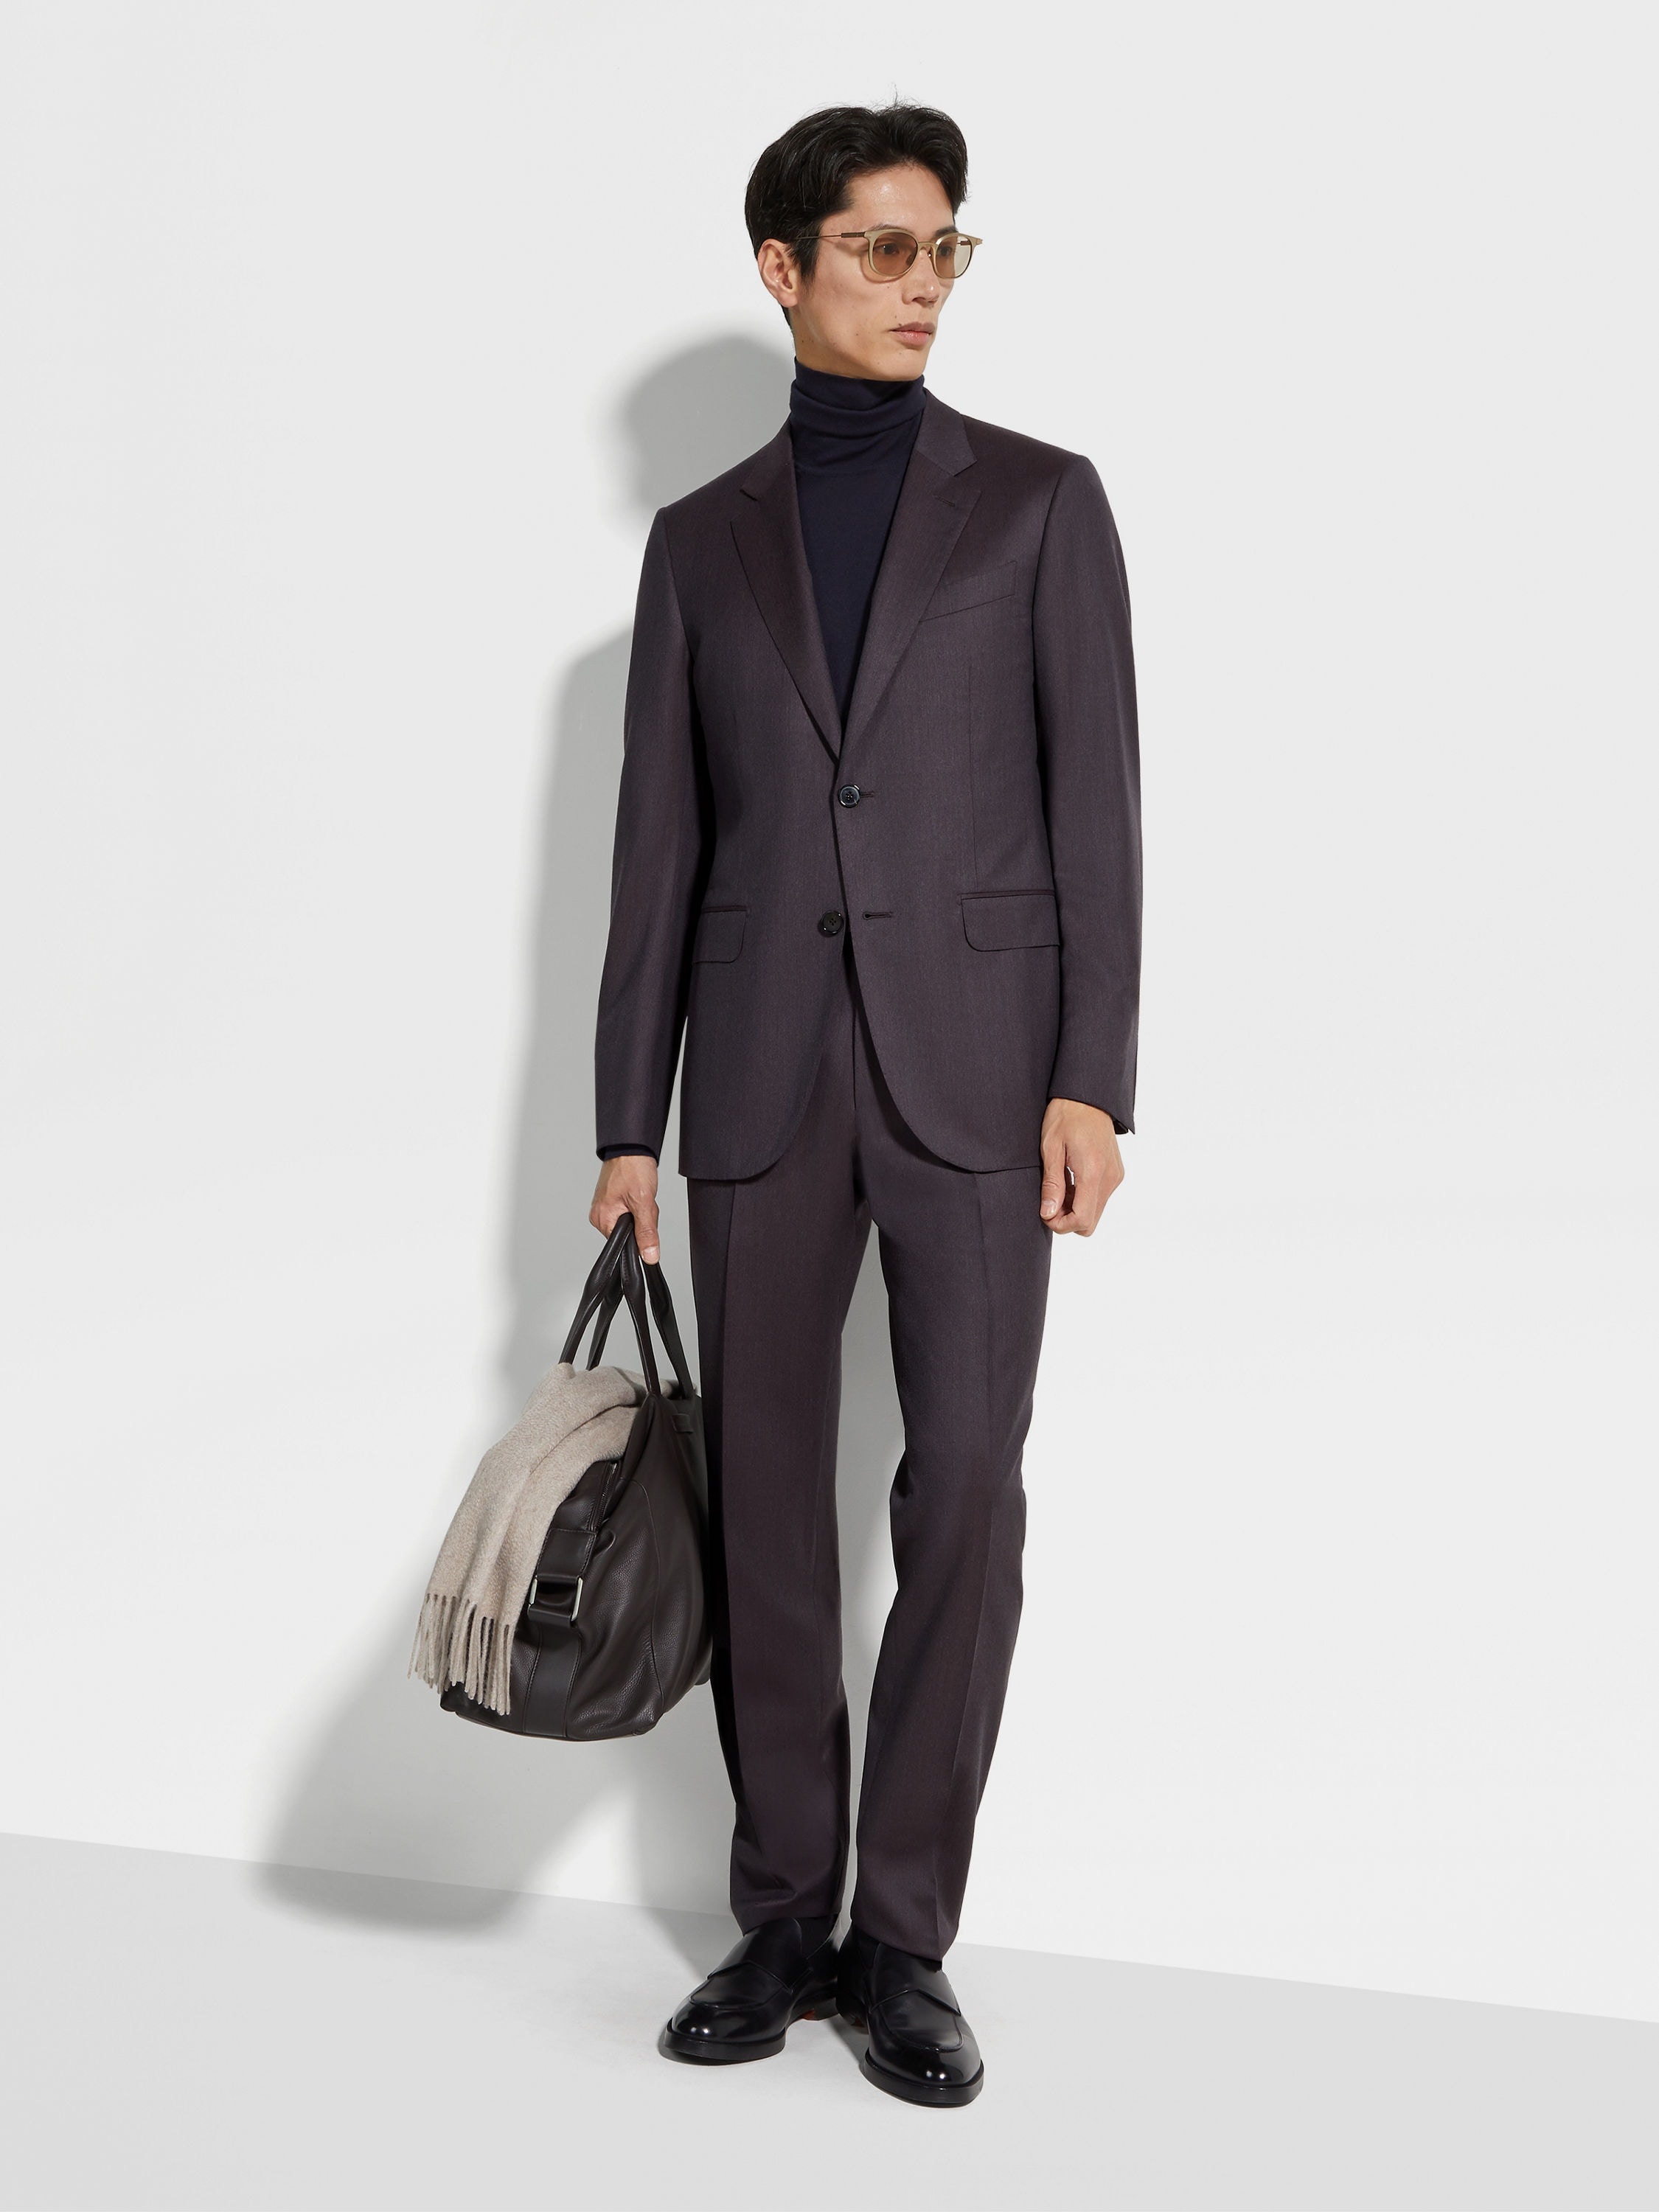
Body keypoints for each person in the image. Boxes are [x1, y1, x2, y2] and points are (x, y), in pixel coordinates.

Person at [588, 101, 1141, 2107]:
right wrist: (623, 1124)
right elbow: (659, 851)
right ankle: (780, 1920)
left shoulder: (1041, 504)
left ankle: (904, 1937)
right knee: (767, 1510)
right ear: (784, 268)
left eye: (943, 250)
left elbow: (1099, 808)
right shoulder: (697, 545)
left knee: (966, 1489)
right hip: (753, 1080)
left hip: (980, 1077)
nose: (922, 284)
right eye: (883, 249)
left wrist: (1093, 1078)